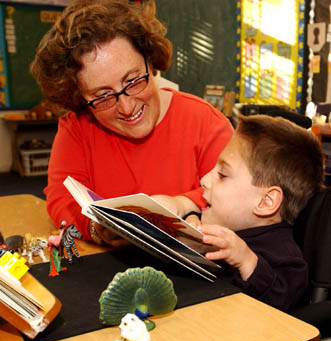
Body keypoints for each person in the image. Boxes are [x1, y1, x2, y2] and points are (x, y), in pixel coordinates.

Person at [30, 0, 233, 246]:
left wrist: (187, 205)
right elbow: (62, 198)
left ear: (150, 61)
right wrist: (96, 228)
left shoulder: (205, 122)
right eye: (103, 96)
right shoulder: (78, 126)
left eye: (134, 80)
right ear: (79, 96)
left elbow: (236, 195)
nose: (127, 107)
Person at [194, 114, 324, 311]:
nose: (204, 179)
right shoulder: (230, 227)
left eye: (222, 174)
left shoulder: (285, 258)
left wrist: (247, 262)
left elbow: (280, 307)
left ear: (266, 201)